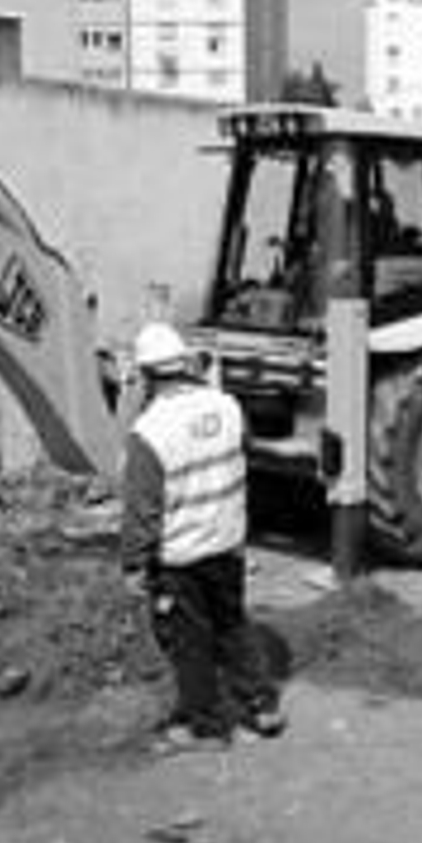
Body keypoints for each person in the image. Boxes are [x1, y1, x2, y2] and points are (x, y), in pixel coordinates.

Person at [120, 321, 285, 753]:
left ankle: (207, 727)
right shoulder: (228, 406)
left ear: (146, 376)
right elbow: (240, 452)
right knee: (233, 624)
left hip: (181, 558)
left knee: (189, 642)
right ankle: (262, 705)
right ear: (185, 364)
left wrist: (134, 564)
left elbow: (142, 509)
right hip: (227, 543)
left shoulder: (150, 431)